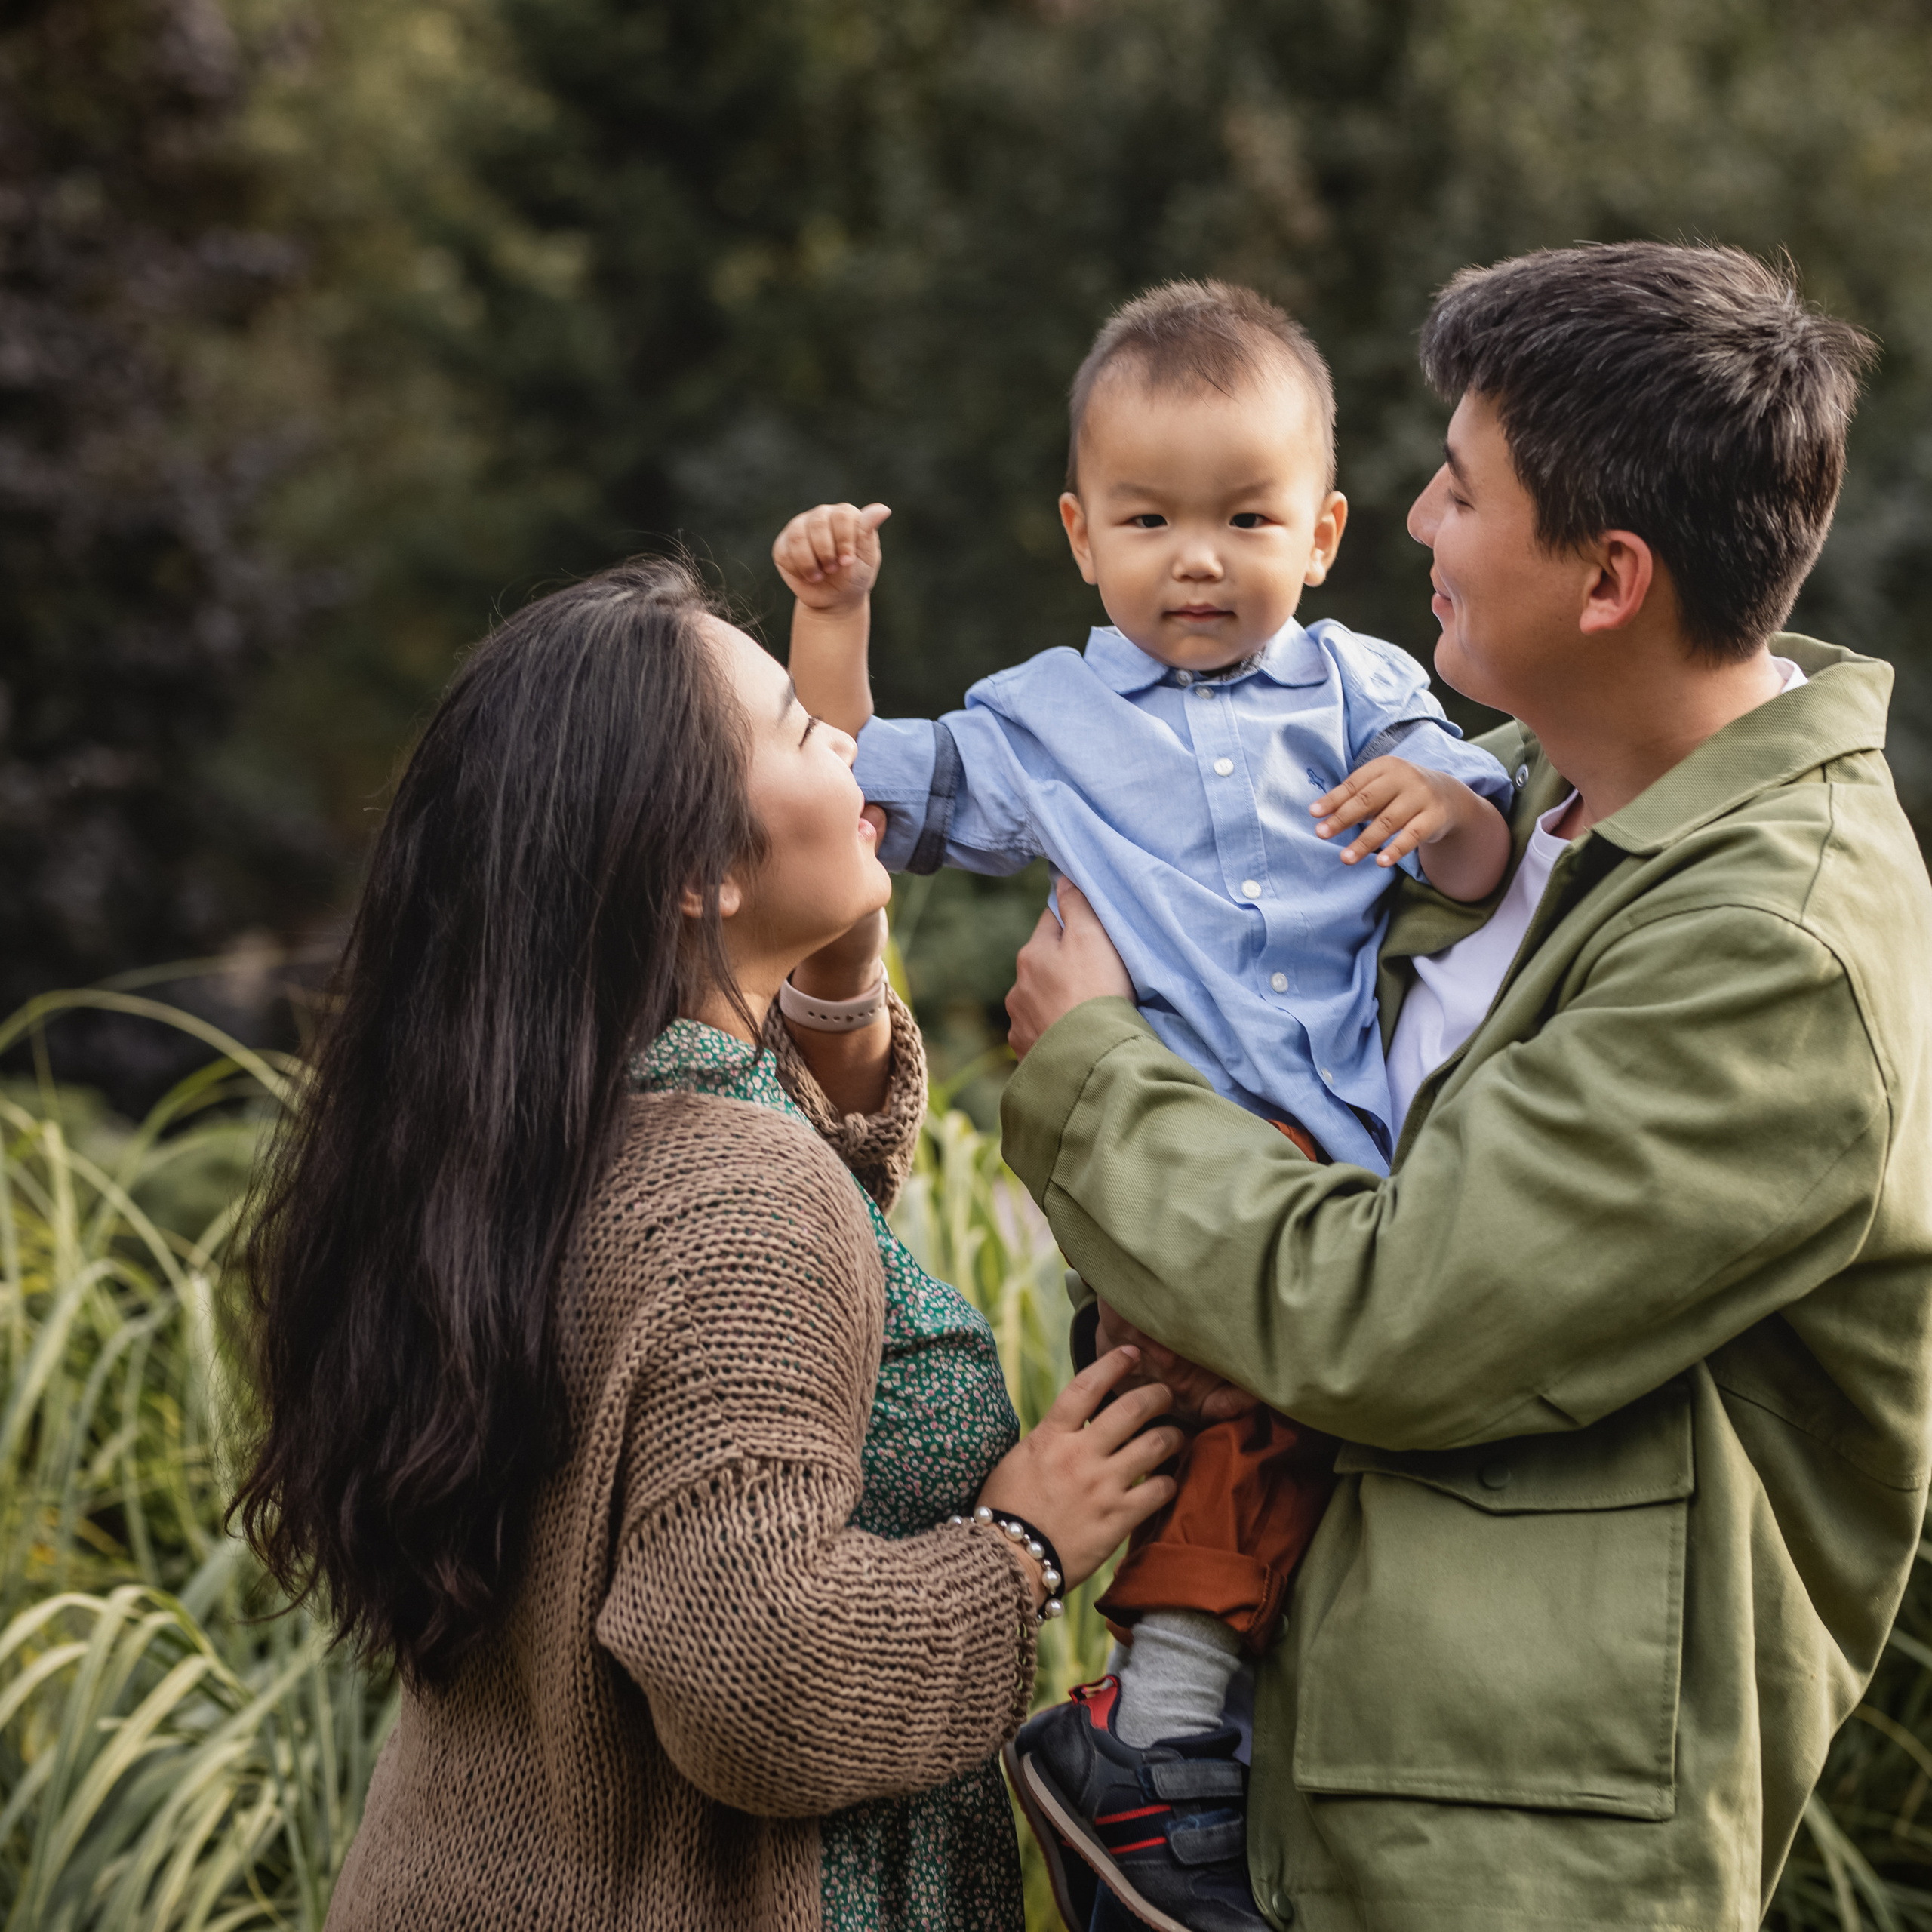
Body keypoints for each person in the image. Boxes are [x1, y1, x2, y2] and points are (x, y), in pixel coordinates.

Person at [998, 242, 1932, 1932]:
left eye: (1455, 487)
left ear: (1605, 580)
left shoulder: (1773, 950)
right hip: (1297, 1784)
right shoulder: (1479, 806)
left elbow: (1388, 1313)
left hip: (1497, 1859)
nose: (1412, 522)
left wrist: (1091, 1073)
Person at [228, 557, 1186, 1932]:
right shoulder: (731, 1198)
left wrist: (840, 975)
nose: (846, 739)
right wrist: (1022, 1547)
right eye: (800, 728)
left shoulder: (537, 1133)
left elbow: (775, 1270)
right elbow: (763, 1680)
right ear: (696, 873)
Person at [775, 280, 1512, 1932]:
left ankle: (1194, 1766)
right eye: (1149, 518)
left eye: (1243, 516)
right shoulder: (1041, 721)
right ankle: (1153, 1736)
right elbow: (840, 785)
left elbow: (1482, 828)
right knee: (1219, 1411)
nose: (1197, 557)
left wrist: (1442, 799)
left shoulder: (1359, 684)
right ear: (1078, 534)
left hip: (1341, 1167)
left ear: (1320, 531)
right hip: (1166, 1165)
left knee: (1290, 1446)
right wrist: (834, 608)